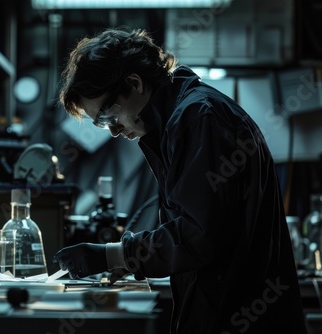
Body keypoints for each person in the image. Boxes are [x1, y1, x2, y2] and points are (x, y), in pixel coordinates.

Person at [53, 27, 307, 334]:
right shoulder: (180, 120)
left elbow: (199, 236)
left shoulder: (198, 117)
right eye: (102, 124)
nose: (115, 131)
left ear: (134, 84)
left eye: (108, 117)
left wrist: (115, 255)